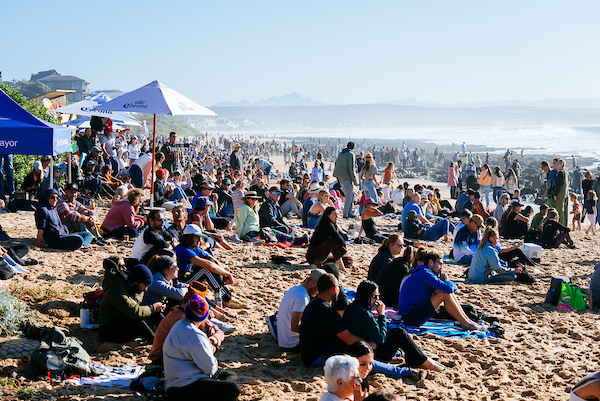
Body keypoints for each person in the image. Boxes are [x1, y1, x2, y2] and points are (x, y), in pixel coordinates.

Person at [344, 281, 442, 376]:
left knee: (397, 333)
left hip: (361, 348)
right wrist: (382, 315)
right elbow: (381, 338)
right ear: (366, 296)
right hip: (370, 356)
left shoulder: (351, 308)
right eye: (375, 296)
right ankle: (424, 361)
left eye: (378, 296)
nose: (377, 299)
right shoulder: (364, 314)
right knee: (400, 333)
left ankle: (421, 358)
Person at [163, 294, 240, 400]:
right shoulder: (194, 334)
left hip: (174, 383)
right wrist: (210, 348)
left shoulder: (179, 325)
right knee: (233, 388)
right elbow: (210, 368)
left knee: (228, 374)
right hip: (183, 387)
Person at [398, 252, 481, 331]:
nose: (442, 267)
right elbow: (449, 288)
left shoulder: (423, 272)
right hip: (411, 317)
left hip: (410, 315)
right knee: (445, 293)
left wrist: (439, 288)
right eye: (440, 264)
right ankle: (466, 323)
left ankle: (467, 322)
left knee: (444, 292)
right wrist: (446, 280)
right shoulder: (425, 273)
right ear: (431, 262)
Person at [149, 282, 226, 364]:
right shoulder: (179, 319)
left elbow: (219, 331)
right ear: (183, 303)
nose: (194, 309)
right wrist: (211, 346)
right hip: (163, 358)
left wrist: (211, 340)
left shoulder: (190, 316)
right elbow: (196, 346)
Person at [174, 224, 244, 308]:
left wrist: (222, 273)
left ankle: (227, 295)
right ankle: (226, 298)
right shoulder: (183, 250)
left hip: (188, 277)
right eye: (197, 237)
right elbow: (210, 266)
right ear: (188, 238)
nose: (200, 240)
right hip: (181, 283)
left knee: (210, 265)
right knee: (205, 269)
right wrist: (227, 274)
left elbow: (212, 260)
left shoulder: (193, 248)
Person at [300, 273, 362, 367]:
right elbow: (349, 339)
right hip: (318, 358)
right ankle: (393, 371)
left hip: (307, 355)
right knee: (363, 361)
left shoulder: (312, 304)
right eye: (338, 287)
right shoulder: (327, 311)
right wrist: (369, 344)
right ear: (334, 288)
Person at [99, 263, 166, 342]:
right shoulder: (116, 289)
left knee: (155, 314)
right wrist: (153, 308)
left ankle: (173, 335)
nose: (146, 289)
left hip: (125, 323)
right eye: (145, 285)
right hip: (110, 331)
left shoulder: (137, 289)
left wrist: (156, 308)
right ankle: (155, 342)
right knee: (137, 318)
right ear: (136, 282)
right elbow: (133, 312)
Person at [276, 268, 325, 352]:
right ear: (314, 283)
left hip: (283, 339)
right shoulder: (302, 297)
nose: (318, 293)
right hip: (291, 343)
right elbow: (295, 326)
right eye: (319, 289)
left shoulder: (295, 288)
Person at [306, 207, 349, 274]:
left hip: (322, 255)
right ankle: (342, 268)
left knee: (348, 260)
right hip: (313, 256)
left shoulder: (332, 224)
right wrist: (344, 245)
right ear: (328, 215)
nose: (337, 217)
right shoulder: (325, 224)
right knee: (332, 240)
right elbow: (336, 237)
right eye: (334, 214)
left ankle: (338, 265)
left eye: (337, 214)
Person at [333, 142, 358, 218]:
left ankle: (349, 212)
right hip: (346, 178)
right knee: (349, 196)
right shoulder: (351, 154)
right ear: (353, 147)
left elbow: (336, 163)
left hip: (340, 177)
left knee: (350, 195)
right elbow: (351, 169)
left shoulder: (341, 153)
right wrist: (355, 180)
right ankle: (346, 214)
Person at [554, 158, 569, 226]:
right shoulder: (566, 172)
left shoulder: (561, 172)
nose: (556, 165)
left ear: (561, 164)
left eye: (558, 164)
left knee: (560, 210)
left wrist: (555, 194)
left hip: (561, 193)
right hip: (566, 193)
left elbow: (559, 184)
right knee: (565, 210)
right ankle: (565, 225)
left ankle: (561, 225)